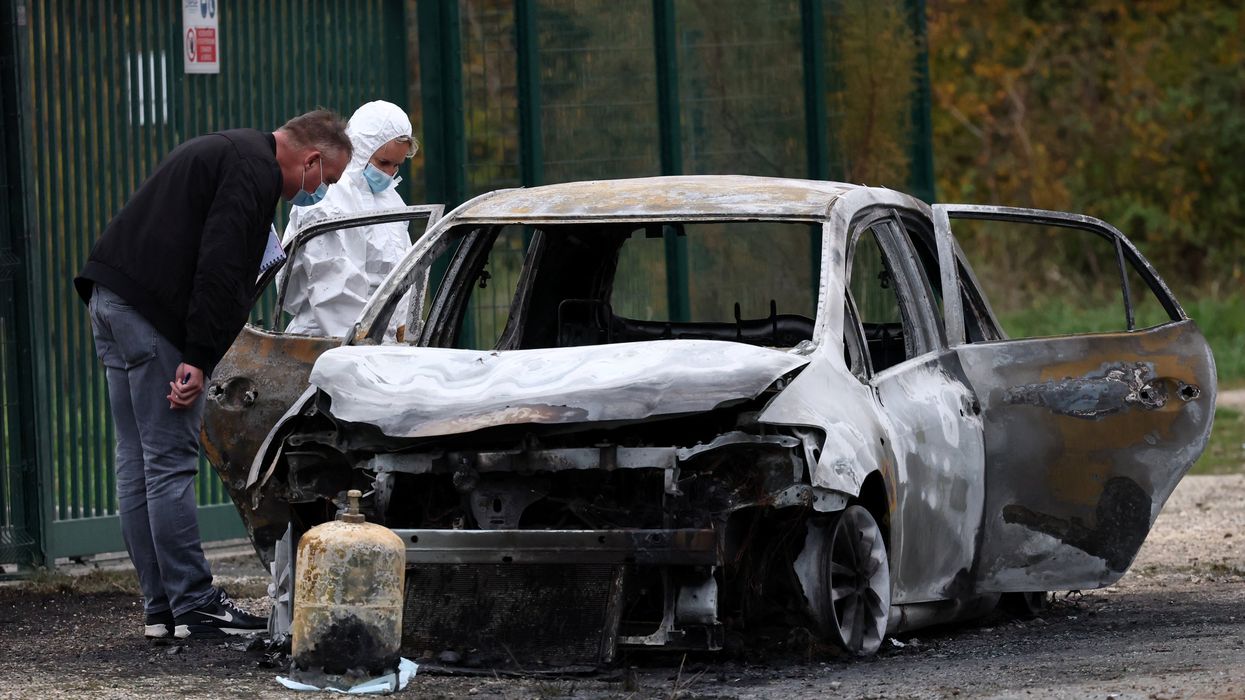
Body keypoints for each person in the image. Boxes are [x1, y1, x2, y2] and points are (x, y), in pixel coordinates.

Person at [73, 110, 352, 640]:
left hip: (111, 298)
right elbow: (221, 266)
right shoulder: (255, 172)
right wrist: (199, 358)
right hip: (150, 314)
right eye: (327, 179)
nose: (318, 191)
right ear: (311, 160)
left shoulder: (231, 149)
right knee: (170, 460)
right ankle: (195, 605)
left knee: (137, 458)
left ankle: (163, 610)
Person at [280, 100, 419, 338]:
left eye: (397, 165)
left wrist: (406, 324)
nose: (389, 173)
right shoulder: (329, 196)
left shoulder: (391, 201)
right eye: (383, 162)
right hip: (326, 339)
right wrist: (358, 342)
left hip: (380, 342)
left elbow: (402, 271)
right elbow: (332, 285)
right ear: (361, 149)